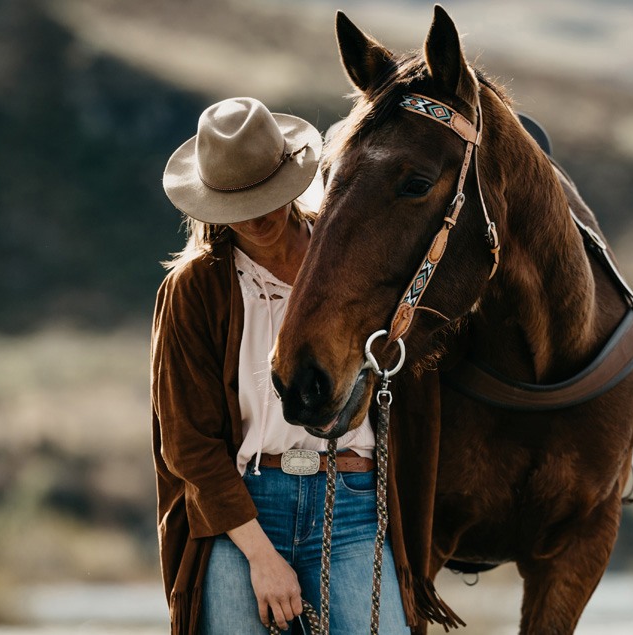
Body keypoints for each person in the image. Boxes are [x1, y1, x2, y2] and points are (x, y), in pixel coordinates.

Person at [153, 97, 413, 634]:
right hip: (243, 510)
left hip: (354, 506)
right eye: (240, 204)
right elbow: (187, 443)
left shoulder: (351, 254)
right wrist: (260, 557)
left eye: (266, 196)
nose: (259, 217)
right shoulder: (195, 289)